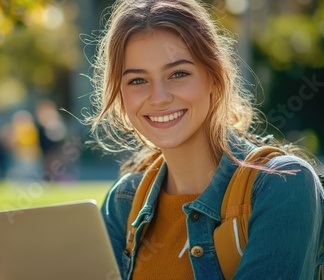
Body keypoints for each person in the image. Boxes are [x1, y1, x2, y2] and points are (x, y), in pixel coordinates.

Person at [86, 0, 324, 279]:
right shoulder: (124, 201)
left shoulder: (282, 183)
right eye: (138, 80)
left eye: (178, 74)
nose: (159, 97)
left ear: (214, 77)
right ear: (121, 95)